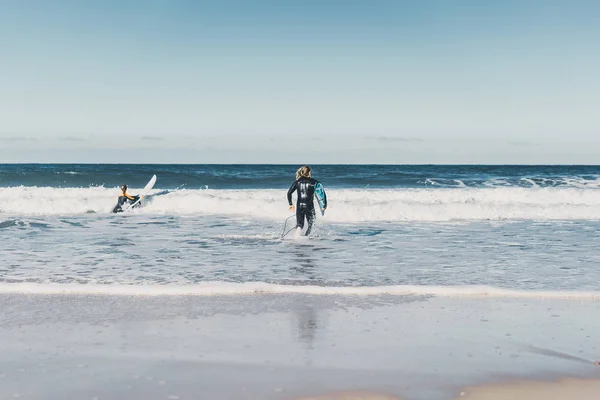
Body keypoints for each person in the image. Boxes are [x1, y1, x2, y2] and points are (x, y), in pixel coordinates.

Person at [287, 166, 327, 236]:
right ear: (309, 172)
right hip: (309, 206)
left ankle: (296, 237)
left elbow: (289, 193)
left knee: (299, 224)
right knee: (311, 224)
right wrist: (324, 205)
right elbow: (322, 194)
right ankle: (306, 238)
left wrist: (291, 204)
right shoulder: (315, 182)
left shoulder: (297, 182)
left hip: (300, 206)